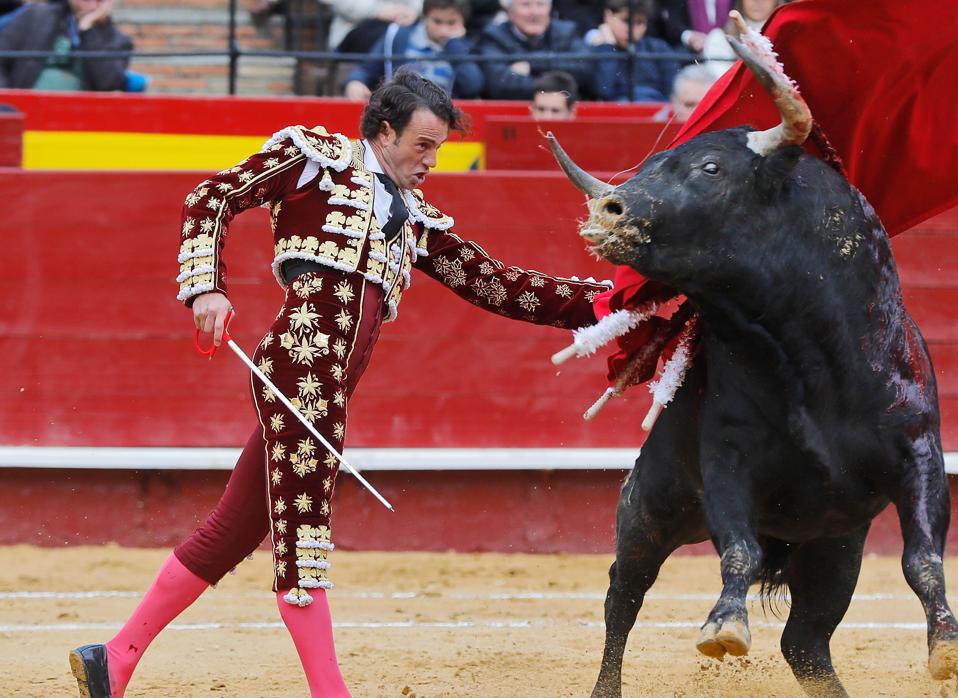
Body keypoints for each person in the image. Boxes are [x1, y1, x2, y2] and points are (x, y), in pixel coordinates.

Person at [67, 68, 611, 698]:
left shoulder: (414, 219)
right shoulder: (314, 164)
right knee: (303, 542)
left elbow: (499, 284)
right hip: (298, 371)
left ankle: (116, 656)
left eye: (439, 149)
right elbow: (210, 197)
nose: (432, 161)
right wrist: (206, 286)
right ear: (385, 131)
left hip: (329, 390)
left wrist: (613, 300)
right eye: (423, 145)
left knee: (234, 529)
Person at [342, 0, 483, 99]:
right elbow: (367, 68)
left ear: (463, 22)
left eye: (451, 23)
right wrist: (355, 82)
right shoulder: (397, 35)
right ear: (425, 17)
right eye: (437, 21)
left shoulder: (466, 46)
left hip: (444, 119)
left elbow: (472, 87)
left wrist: (454, 44)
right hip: (397, 115)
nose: (443, 30)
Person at [0, 0, 132, 91]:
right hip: (23, 117)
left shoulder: (117, 41)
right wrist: (8, 104)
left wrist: (87, 28)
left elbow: (108, 84)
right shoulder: (35, 16)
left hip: (78, 123)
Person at [472, 0, 593, 99]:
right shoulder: (493, 36)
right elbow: (500, 84)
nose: (534, 12)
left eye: (540, 4)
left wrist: (532, 64)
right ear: (509, 12)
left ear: (550, 9)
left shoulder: (567, 31)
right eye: (525, 5)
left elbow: (585, 68)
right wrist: (559, 84)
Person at [589, 0, 685, 101]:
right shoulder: (595, 50)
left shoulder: (659, 49)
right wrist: (608, 46)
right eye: (625, 20)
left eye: (639, 22)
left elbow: (673, 95)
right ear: (608, 16)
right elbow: (603, 92)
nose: (631, 30)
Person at [324, 0, 423, 54]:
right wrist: (377, 11)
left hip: (403, 28)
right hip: (357, 31)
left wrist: (414, 12)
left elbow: (422, 5)